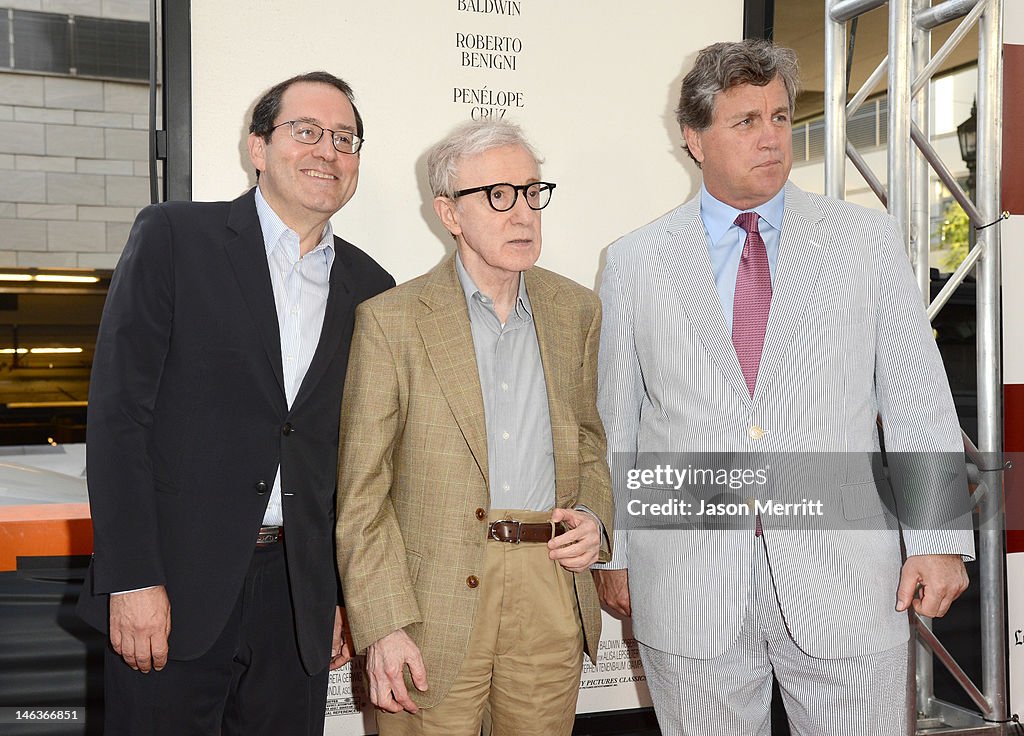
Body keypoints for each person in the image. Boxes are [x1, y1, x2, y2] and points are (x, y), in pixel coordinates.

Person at [592, 39, 974, 735]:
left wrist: (939, 537)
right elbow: (619, 424)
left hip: (845, 576)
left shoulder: (866, 240)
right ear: (693, 138)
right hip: (689, 581)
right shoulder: (634, 262)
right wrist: (615, 552)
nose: (772, 138)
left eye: (778, 116)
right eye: (745, 122)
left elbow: (917, 398)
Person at [76, 71, 394, 735]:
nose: (327, 151)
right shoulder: (174, 238)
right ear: (258, 147)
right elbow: (118, 419)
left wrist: (338, 595)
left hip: (296, 598)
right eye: (305, 131)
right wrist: (131, 579)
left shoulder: (371, 286)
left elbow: (351, 455)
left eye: (344, 138)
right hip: (172, 589)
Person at [335, 119, 613, 736]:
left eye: (532, 191)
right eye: (497, 194)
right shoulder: (392, 321)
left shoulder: (577, 312)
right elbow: (362, 494)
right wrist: (383, 624)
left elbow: (591, 444)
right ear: (449, 214)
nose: (523, 214)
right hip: (429, 601)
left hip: (548, 584)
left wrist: (595, 519)